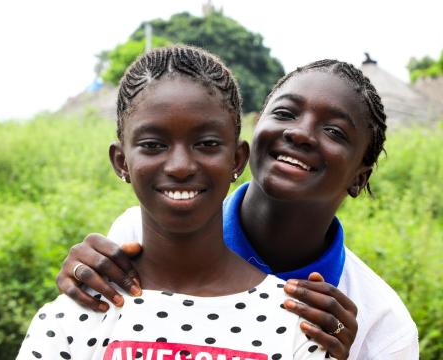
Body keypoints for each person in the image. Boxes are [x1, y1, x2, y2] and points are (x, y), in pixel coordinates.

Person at [56, 58, 420, 359]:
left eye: (335, 132)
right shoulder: (140, 234)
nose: (301, 133)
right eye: (285, 113)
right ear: (252, 132)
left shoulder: (380, 321)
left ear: (360, 177)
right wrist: (81, 289)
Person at [17, 45, 329, 359]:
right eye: (153, 145)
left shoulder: (296, 327)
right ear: (121, 162)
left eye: (206, 144)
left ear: (237, 160)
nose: (180, 166)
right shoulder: (71, 319)